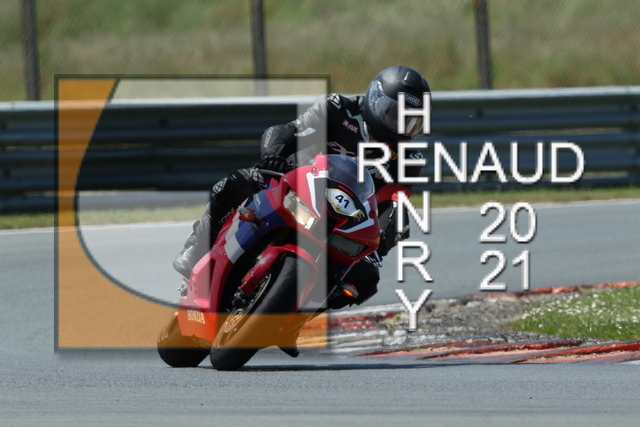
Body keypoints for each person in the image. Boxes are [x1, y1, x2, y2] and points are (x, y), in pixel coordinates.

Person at [173, 65, 430, 308]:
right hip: (293, 182)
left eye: (412, 120)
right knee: (232, 185)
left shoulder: (409, 157)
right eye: (395, 114)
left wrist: (380, 241)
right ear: (375, 101)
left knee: (365, 278)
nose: (403, 125)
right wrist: (272, 156)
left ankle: (296, 313)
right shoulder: (338, 109)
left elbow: (393, 204)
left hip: (343, 219)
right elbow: (288, 131)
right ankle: (197, 248)